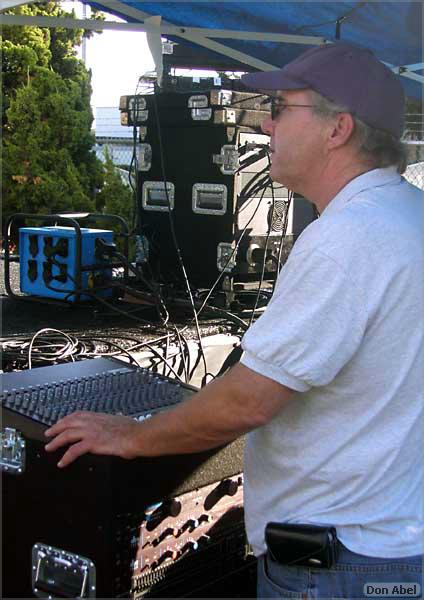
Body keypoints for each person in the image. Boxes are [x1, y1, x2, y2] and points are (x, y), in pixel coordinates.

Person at [45, 42, 423, 599]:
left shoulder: (349, 238)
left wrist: (134, 436)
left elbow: (250, 400)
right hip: (386, 547)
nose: (267, 126)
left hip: (342, 565)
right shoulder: (408, 214)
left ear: (337, 128)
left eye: (282, 110)